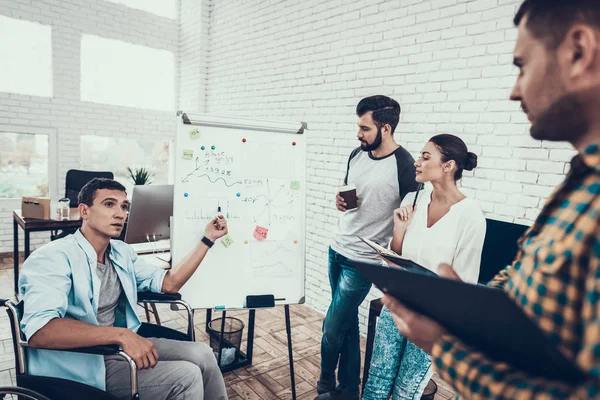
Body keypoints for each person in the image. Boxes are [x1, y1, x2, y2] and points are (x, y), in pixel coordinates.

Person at [383, 0, 600, 398]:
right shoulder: (579, 182)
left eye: (522, 65)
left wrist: (442, 345)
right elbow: (529, 288)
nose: (515, 90)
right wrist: (465, 303)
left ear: (579, 50)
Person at [19, 178, 228, 400]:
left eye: (124, 206)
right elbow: (40, 331)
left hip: (115, 347)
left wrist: (208, 239)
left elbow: (169, 283)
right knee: (187, 376)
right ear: (84, 211)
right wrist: (120, 334)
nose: (120, 213)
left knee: (203, 353)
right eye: (109, 204)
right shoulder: (53, 257)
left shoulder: (121, 252)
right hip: (78, 365)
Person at [362, 134, 485, 400]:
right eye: (420, 156)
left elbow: (464, 284)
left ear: (448, 166)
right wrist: (399, 229)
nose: (417, 162)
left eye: (425, 157)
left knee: (406, 391)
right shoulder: (412, 200)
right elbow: (394, 258)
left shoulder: (471, 216)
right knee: (376, 382)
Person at [316, 95, 420, 400]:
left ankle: (324, 385)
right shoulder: (356, 154)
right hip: (337, 248)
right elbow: (350, 196)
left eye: (365, 128)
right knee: (346, 323)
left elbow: (407, 219)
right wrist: (340, 201)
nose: (358, 134)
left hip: (362, 260)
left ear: (385, 128)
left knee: (331, 328)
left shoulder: (405, 165)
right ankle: (348, 390)